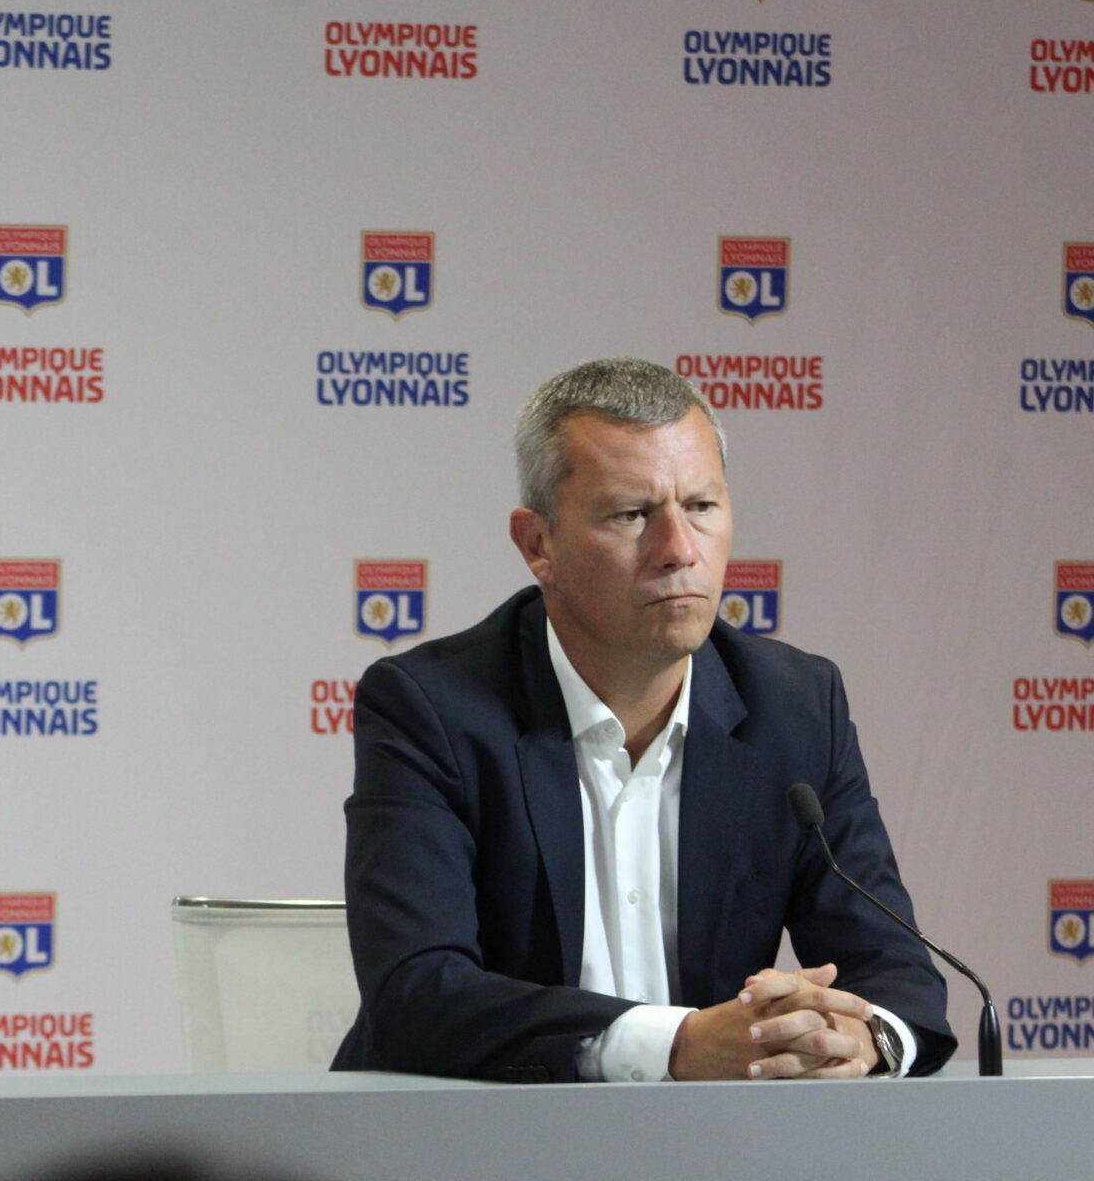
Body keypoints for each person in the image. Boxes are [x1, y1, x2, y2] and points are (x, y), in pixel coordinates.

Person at [332, 357, 955, 1083]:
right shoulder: (431, 708)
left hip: (705, 1154)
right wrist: (677, 1045)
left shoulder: (796, 707)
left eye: (701, 507)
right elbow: (417, 996)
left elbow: (898, 973)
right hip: (477, 1148)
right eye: (631, 515)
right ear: (538, 545)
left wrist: (861, 1037)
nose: (679, 552)